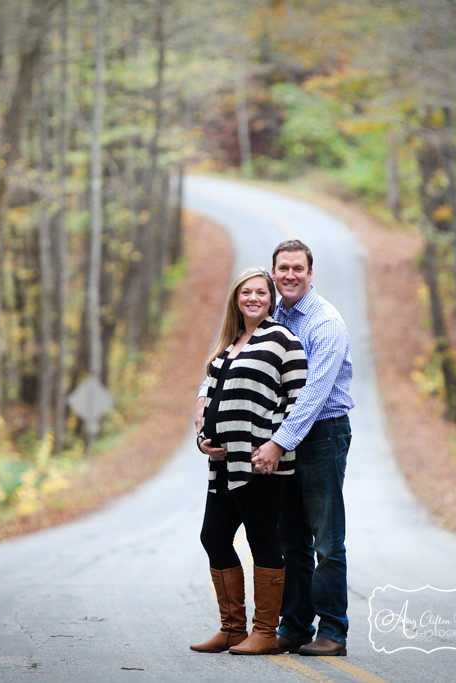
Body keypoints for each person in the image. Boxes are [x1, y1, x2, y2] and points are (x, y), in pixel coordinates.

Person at [196, 240, 354, 657]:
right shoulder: (273, 311)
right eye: (282, 268)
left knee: (325, 538)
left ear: (310, 272)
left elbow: (313, 395)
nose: (289, 275)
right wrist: (203, 407)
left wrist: (278, 443)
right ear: (273, 271)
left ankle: (333, 631)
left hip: (321, 433)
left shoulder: (325, 323)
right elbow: (229, 361)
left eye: (297, 268)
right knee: (291, 537)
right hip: (278, 438)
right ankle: (294, 625)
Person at [190, 266, 307, 656]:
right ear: (236, 300)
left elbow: (299, 400)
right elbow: (211, 401)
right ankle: (232, 629)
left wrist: (275, 444)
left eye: (260, 292)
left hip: (261, 463)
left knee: (263, 541)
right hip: (224, 462)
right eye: (245, 293)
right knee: (214, 537)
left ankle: (265, 632)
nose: (253, 298)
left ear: (271, 299)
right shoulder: (229, 345)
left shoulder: (283, 340)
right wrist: (203, 439)